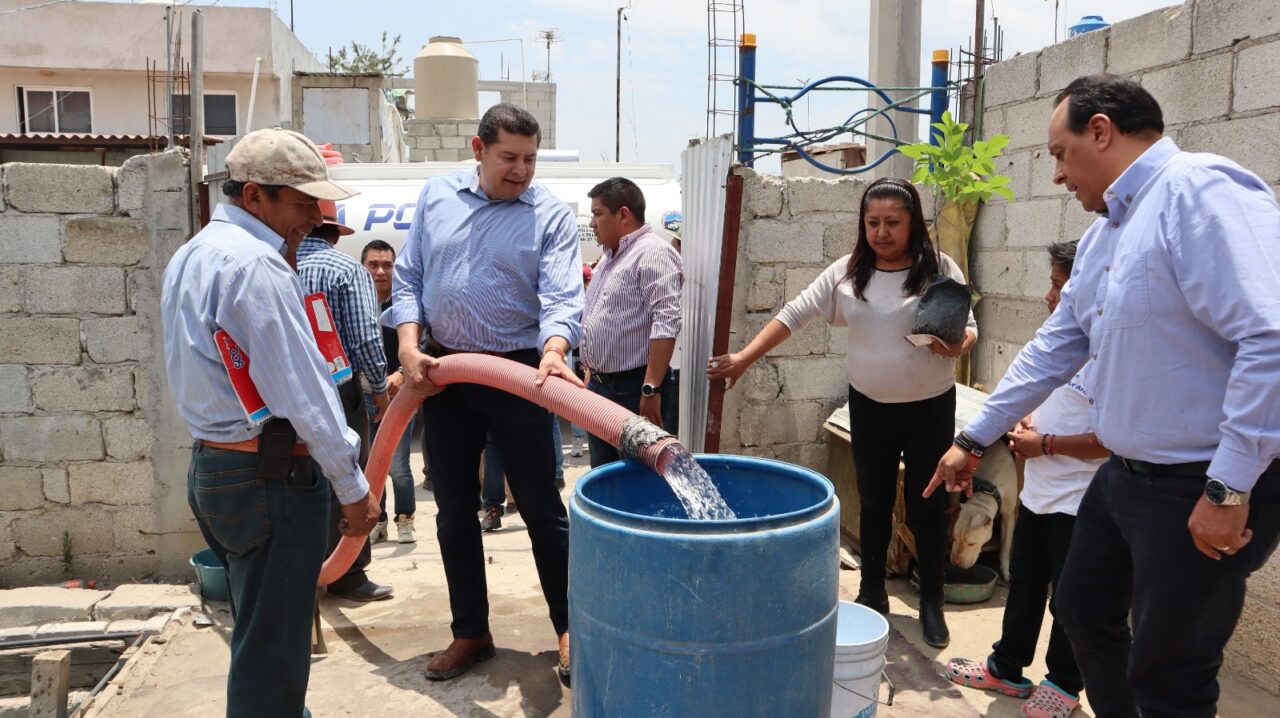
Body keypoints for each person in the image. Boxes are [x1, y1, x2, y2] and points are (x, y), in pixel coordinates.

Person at [927, 74, 1280, 718]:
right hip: (1123, 479)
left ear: (1101, 131)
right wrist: (972, 437)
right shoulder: (1105, 235)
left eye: (1059, 154)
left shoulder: (1198, 190)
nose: (1057, 176)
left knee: (1172, 671)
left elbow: (1270, 335)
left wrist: (1229, 487)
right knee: (1084, 609)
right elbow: (1054, 346)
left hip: (1199, 480)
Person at [161, 128, 380, 717]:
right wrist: (353, 491)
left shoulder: (195, 253)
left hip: (219, 468)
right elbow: (305, 396)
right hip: (270, 480)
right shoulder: (257, 267)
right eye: (302, 201)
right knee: (274, 663)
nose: (314, 216)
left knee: (263, 640)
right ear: (254, 196)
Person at [709, 178, 976, 648]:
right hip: (869, 408)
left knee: (927, 505)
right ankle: (873, 592)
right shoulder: (849, 273)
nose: (882, 232)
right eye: (873, 222)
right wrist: (744, 358)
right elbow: (793, 314)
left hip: (930, 410)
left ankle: (932, 602)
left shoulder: (939, 269)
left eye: (893, 222)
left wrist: (958, 343)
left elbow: (968, 327)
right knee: (872, 502)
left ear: (912, 222)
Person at [391, 103, 583, 684]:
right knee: (452, 510)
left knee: (543, 509)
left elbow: (561, 296)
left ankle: (571, 626)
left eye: (529, 158)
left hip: (522, 370)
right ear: (479, 151)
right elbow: (409, 276)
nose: (521, 170)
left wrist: (554, 350)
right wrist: (407, 345)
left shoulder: (549, 214)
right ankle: (470, 631)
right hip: (446, 371)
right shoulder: (437, 195)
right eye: (509, 158)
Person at [944, 240, 1109, 717]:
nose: (1050, 296)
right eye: (1052, 284)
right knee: (1025, 582)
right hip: (1041, 488)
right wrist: (1022, 424)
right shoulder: (1060, 340)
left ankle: (1062, 683)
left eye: (1060, 286)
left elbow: (1117, 439)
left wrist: (1048, 445)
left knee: (1072, 598)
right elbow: (1036, 392)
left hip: (1083, 499)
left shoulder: (1113, 352)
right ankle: (1007, 666)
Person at [296, 202, 394, 603]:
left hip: (284, 388)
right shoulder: (346, 270)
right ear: (335, 233)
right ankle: (347, 572)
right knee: (349, 472)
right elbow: (366, 342)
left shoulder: (274, 263)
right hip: (338, 389)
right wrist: (379, 393)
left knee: (301, 477)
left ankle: (304, 568)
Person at [580, 177, 683, 467]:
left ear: (623, 215)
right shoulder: (609, 258)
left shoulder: (652, 253)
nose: (592, 223)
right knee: (605, 478)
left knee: (638, 480)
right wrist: (591, 370)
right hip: (601, 388)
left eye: (597, 214)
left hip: (633, 388)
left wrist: (650, 388)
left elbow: (667, 320)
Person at [361, 239, 418, 544]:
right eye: (373, 265)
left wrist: (398, 374)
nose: (381, 271)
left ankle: (405, 520)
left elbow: (418, 346)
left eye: (387, 265)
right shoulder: (357, 302)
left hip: (400, 397)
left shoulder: (406, 306)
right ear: (364, 267)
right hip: (364, 397)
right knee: (371, 465)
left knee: (398, 465)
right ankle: (377, 521)